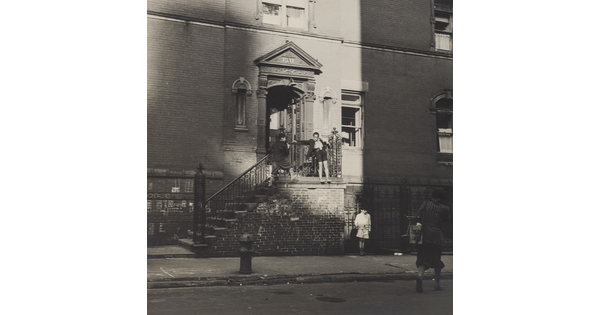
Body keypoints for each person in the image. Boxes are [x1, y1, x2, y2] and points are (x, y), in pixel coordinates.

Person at [414, 189, 450, 293]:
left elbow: (417, 216)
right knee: (436, 259)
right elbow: (446, 223)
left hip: (424, 236)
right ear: (440, 198)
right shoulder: (444, 208)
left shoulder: (425, 205)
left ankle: (420, 277)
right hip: (436, 236)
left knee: (423, 258)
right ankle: (437, 284)